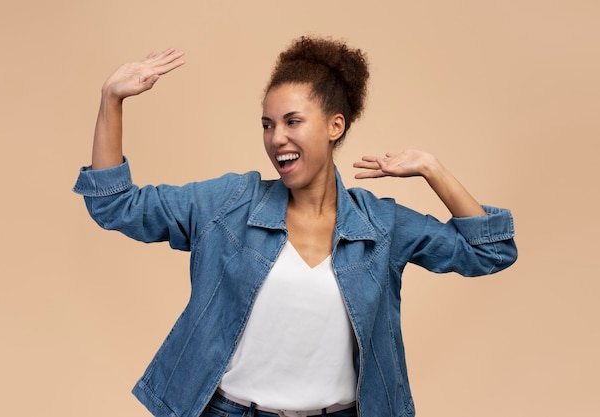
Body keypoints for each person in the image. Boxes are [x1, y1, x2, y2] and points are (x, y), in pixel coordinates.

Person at [73, 36, 517, 417]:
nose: (276, 138)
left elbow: (490, 252)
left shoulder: (380, 225)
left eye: (292, 122)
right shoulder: (229, 204)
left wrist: (432, 169)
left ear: (334, 125)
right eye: (267, 125)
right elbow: (115, 205)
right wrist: (111, 99)